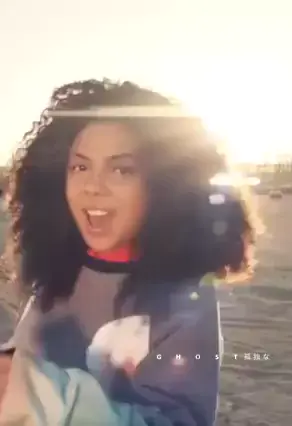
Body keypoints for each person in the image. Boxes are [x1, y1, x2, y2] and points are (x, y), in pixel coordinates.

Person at [0, 79, 258, 425]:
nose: (93, 186)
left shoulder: (183, 299)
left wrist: (39, 395)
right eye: (80, 167)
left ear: (164, 184)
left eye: (121, 170)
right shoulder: (56, 272)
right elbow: (19, 366)